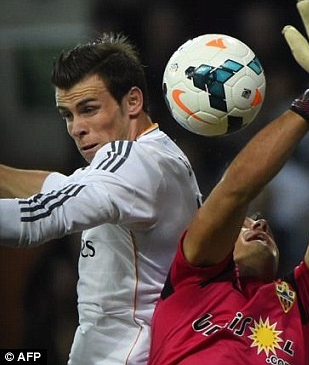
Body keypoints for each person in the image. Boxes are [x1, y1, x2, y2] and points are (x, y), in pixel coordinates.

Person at [149, 0, 309, 364]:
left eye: (256, 221)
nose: (260, 223)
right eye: (246, 223)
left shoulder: (300, 306)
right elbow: (236, 191)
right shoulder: (194, 277)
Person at [0, 33, 201, 364]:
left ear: (132, 101)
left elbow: (40, 217)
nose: (76, 128)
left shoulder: (134, 161)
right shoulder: (156, 155)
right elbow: (61, 189)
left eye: (89, 109)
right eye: (67, 115)